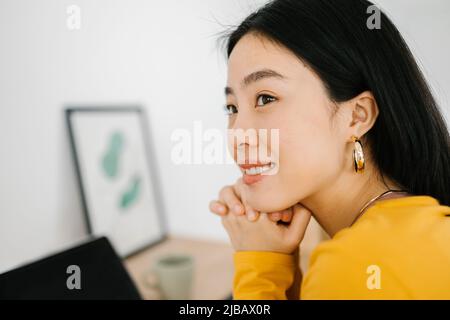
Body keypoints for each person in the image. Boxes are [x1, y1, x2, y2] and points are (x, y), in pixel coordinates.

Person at [209, 0, 450, 299]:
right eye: (232, 107)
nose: (237, 135)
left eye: (266, 98)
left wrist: (259, 266)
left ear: (357, 116)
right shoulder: (409, 229)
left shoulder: (356, 265)